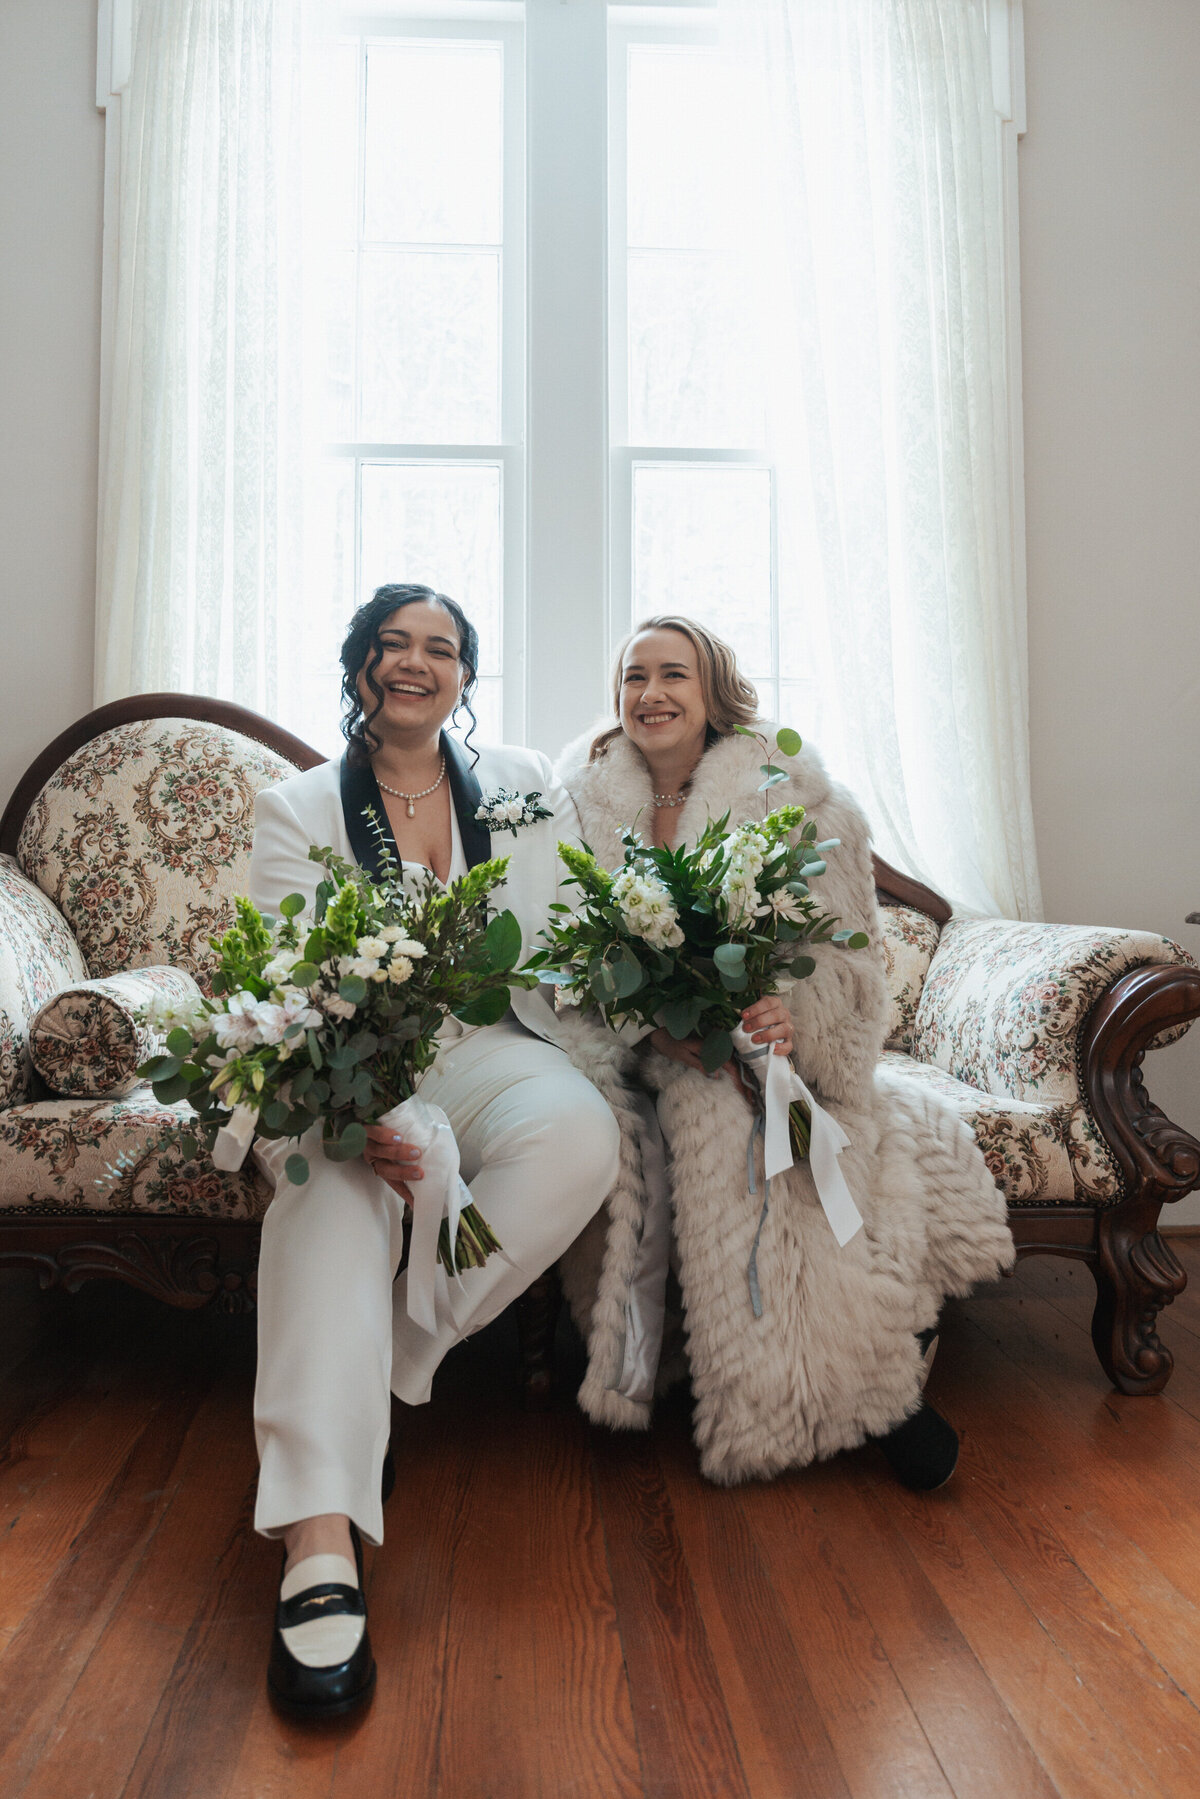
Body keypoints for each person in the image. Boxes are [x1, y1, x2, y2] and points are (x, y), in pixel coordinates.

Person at [248, 584, 619, 1719]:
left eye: (442, 649)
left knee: (577, 1133)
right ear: (358, 661)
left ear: (465, 675)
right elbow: (286, 977)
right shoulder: (297, 804)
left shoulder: (515, 783)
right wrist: (352, 1100)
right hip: (347, 1058)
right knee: (334, 1188)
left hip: (490, 1040)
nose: (416, 662)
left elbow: (566, 925)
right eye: (393, 644)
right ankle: (319, 1528)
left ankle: (393, 1359)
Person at [552, 615, 1014, 1490]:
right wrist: (650, 1026)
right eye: (633, 677)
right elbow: (561, 965)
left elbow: (847, 957)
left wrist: (785, 1013)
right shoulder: (574, 812)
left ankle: (841, 1393)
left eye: (673, 675)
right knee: (694, 1100)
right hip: (633, 1057)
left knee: (738, 1110)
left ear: (713, 690)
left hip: (765, 1057)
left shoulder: (802, 805)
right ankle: (861, 1398)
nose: (650, 693)